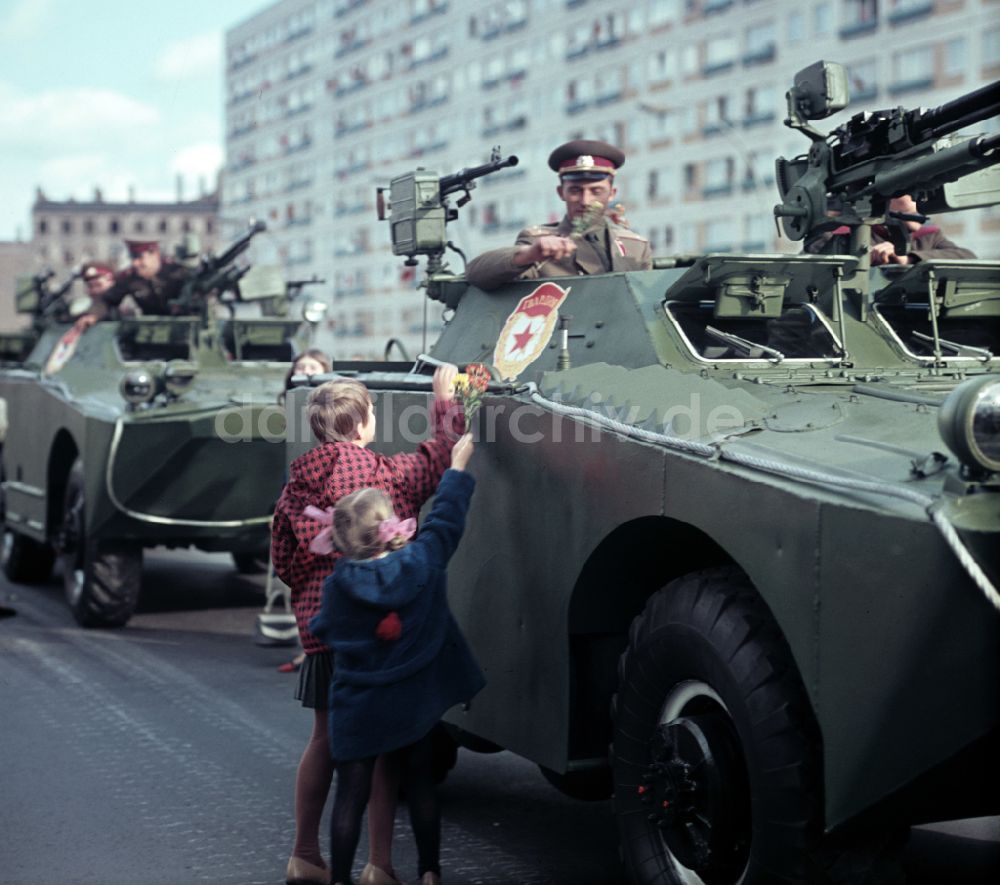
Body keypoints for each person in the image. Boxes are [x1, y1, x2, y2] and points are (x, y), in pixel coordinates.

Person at [271, 364, 464, 885]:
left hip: (321, 630)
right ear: (360, 425)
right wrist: (444, 402)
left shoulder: (295, 486)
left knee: (324, 739)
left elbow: (285, 562)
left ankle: (304, 855)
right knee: (383, 751)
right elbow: (442, 456)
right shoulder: (387, 475)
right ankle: (379, 865)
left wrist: (315, 589)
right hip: (380, 638)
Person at [309, 433, 483, 885]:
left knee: (350, 795)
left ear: (343, 542)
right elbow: (446, 519)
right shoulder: (425, 560)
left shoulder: (338, 585)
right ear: (392, 525)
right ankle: (429, 873)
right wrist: (457, 466)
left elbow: (324, 628)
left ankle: (342, 879)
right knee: (422, 786)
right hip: (416, 702)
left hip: (359, 704)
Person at [465, 139, 652, 291]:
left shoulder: (635, 246)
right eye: (575, 191)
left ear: (612, 194)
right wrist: (528, 254)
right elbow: (476, 274)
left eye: (596, 191)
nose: (585, 201)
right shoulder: (538, 240)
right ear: (561, 192)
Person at [277, 349, 334, 675]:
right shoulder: (290, 407)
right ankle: (305, 647)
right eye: (300, 368)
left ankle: (312, 649)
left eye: (313, 368)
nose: (306, 373)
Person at [805, 194, 976, 264]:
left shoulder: (928, 236)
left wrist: (908, 258)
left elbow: (967, 257)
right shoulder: (839, 234)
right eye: (907, 192)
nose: (916, 202)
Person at [103, 239, 190, 315]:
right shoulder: (129, 277)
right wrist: (95, 315)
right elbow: (106, 300)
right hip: (150, 328)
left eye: (139, 257)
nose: (135, 263)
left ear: (155, 254)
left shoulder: (178, 272)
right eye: (132, 257)